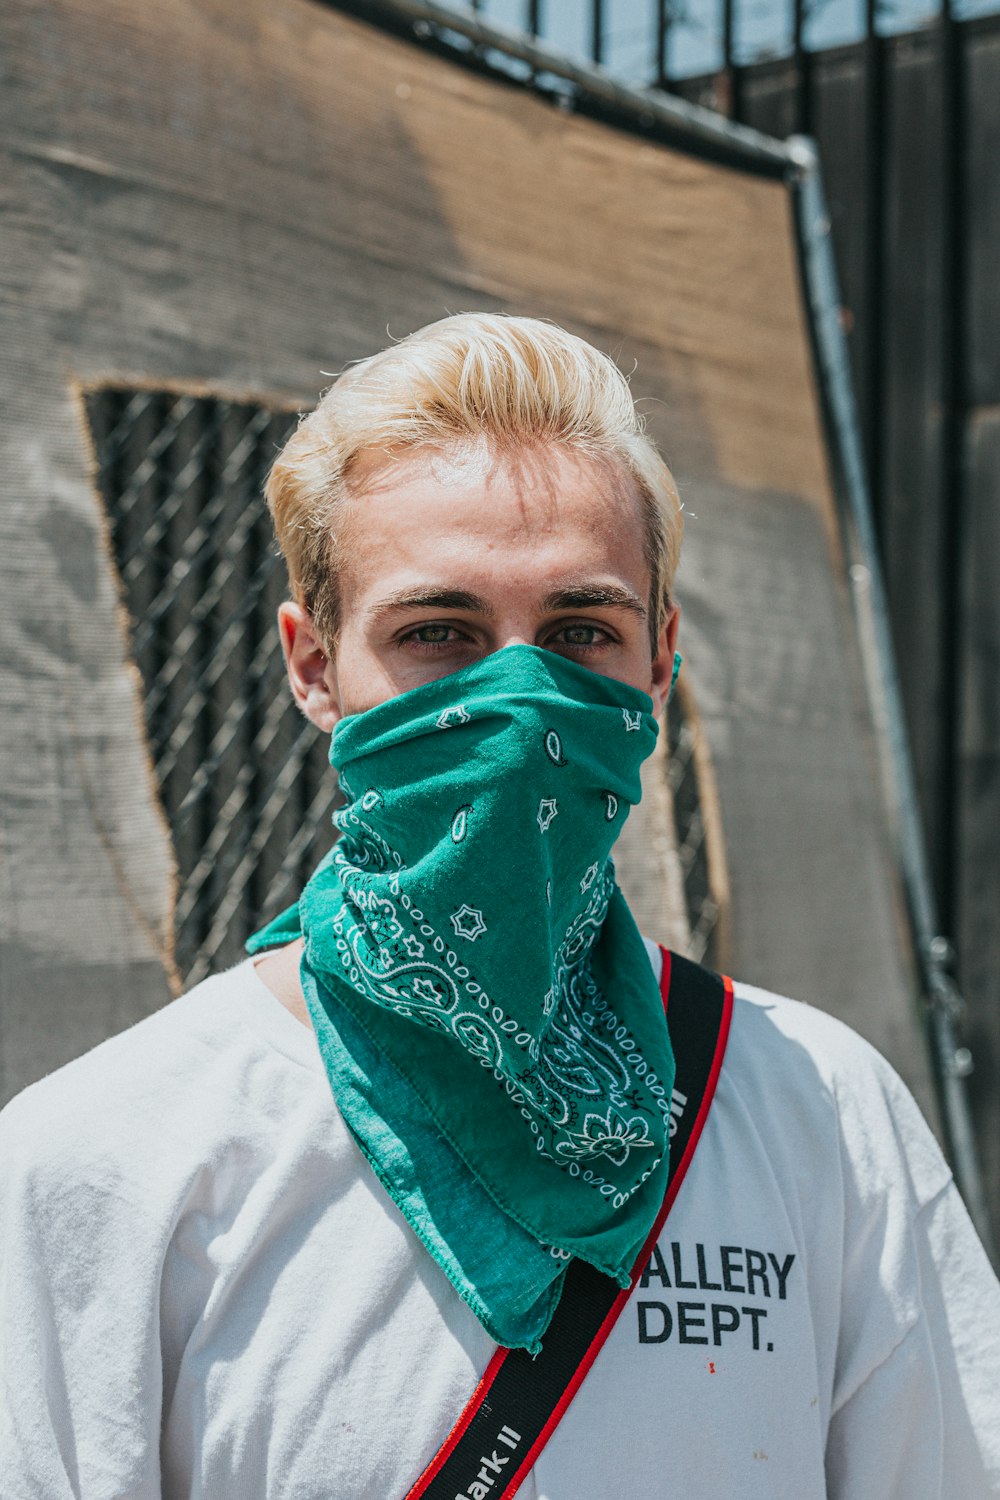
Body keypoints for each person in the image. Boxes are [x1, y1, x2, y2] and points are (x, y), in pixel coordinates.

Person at [1, 313, 998, 1498]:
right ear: (314, 666)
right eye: (439, 633)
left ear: (659, 663)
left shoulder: (820, 1116)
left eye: (580, 631)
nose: (519, 699)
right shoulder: (105, 1160)